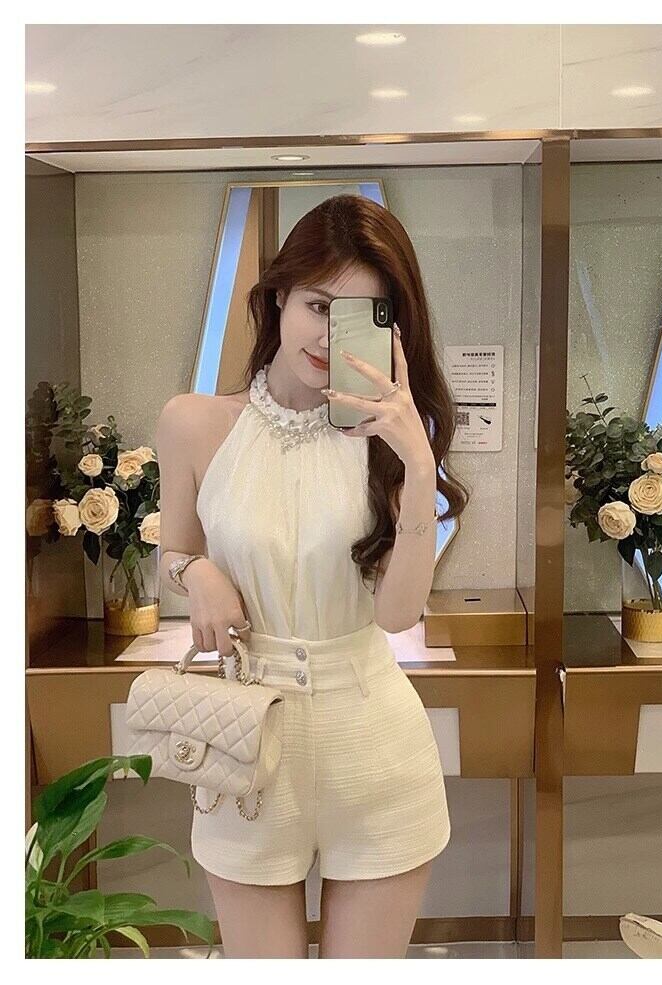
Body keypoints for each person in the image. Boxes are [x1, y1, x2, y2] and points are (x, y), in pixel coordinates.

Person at [156, 194, 470, 958]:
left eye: (359, 315)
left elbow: (397, 613)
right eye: (317, 306)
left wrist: (418, 464)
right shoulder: (195, 422)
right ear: (278, 298)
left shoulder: (391, 440)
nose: (330, 336)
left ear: (392, 329)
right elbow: (173, 551)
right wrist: (197, 570)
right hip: (247, 745)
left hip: (372, 740)